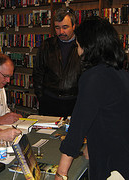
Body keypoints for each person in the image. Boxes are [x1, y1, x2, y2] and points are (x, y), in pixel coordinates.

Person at [56, 16, 129, 180]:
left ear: (89, 45)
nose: (77, 47)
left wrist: (61, 172)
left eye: (78, 43)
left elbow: (78, 125)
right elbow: (106, 116)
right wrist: (90, 145)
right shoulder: (122, 74)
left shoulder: (94, 77)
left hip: (111, 163)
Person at [33, 7, 81, 117]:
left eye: (65, 27)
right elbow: (38, 73)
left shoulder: (82, 46)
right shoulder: (47, 45)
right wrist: (41, 96)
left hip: (75, 102)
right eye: (57, 28)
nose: (61, 32)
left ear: (74, 26)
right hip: (49, 102)